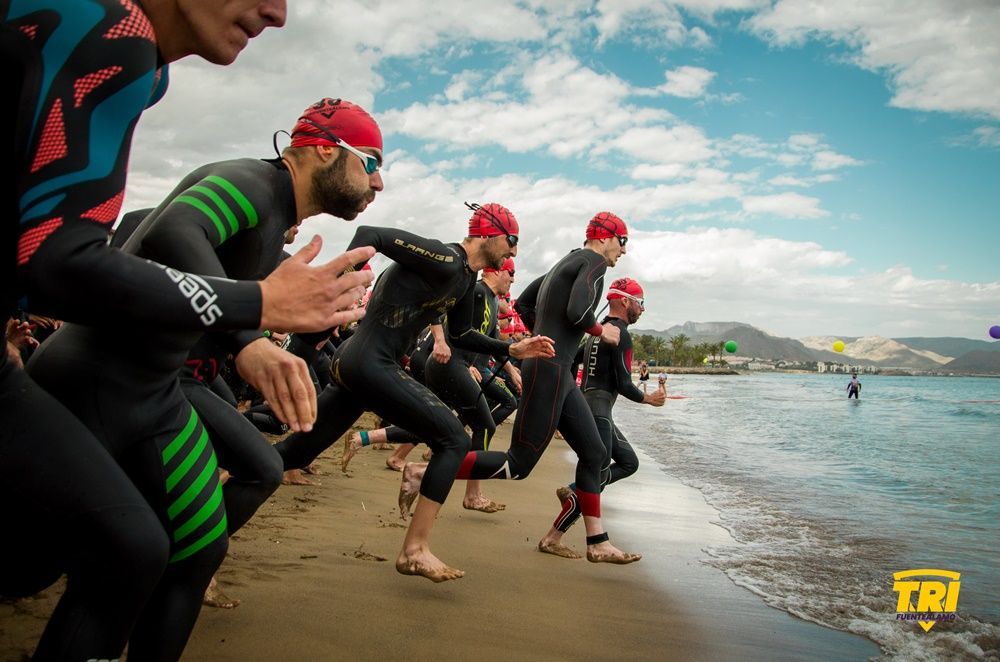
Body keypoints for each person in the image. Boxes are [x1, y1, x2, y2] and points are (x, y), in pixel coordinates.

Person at [2, 1, 372, 658]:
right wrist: (251, 322)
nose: (279, 13)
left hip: (154, 390)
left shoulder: (148, 72)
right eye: (369, 161)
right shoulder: (248, 179)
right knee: (52, 562)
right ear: (318, 149)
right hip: (99, 375)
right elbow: (168, 231)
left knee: (183, 549)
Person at [276, 204, 556, 582]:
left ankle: (206, 531)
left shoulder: (464, 281)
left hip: (361, 367)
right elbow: (370, 234)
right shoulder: (443, 257)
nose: (514, 252)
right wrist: (337, 285)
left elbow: (460, 335)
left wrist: (510, 350)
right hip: (369, 362)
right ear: (489, 233)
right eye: (512, 241)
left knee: (291, 455)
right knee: (454, 439)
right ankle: (415, 550)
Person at [405, 211, 641, 564]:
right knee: (518, 463)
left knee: (594, 453)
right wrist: (599, 330)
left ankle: (598, 541)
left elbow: (526, 302)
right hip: (549, 370)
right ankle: (426, 471)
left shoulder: (567, 262)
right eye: (623, 243)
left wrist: (541, 334)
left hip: (553, 368)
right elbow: (578, 311)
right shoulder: (593, 263)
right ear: (607, 238)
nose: (623, 252)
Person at [343, 257, 521, 513]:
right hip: (450, 365)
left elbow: (491, 341)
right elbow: (456, 327)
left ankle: (367, 439)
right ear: (497, 271)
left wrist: (512, 370)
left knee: (437, 422)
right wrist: (460, 358)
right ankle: (473, 494)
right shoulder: (478, 291)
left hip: (456, 366)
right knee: (483, 425)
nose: (513, 279)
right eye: (511, 272)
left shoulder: (492, 300)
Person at [538, 277, 666, 558]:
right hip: (599, 411)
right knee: (595, 477)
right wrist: (649, 399)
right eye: (641, 303)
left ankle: (573, 493)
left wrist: (569, 391)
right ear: (625, 301)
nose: (642, 310)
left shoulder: (597, 332)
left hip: (593, 408)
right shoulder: (620, 334)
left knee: (628, 462)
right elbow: (623, 383)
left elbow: (572, 361)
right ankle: (553, 536)